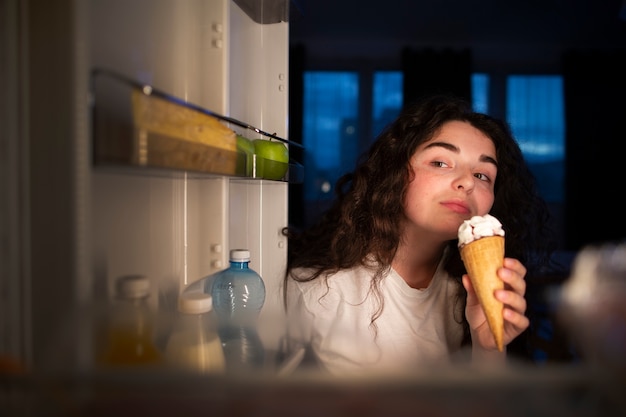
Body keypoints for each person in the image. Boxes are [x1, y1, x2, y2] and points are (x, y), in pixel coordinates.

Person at [281, 93, 558, 376]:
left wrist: (488, 348)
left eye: (482, 175)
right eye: (440, 163)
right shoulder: (321, 290)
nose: (466, 182)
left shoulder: (475, 292)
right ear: (395, 171)